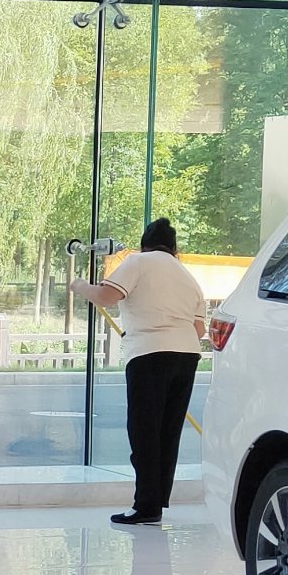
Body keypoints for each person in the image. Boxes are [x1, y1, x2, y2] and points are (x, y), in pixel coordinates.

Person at [81, 217, 209, 528]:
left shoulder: (138, 262)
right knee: (168, 431)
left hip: (150, 353)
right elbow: (199, 328)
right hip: (187, 355)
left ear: (144, 244)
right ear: (174, 247)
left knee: (144, 430)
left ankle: (146, 506)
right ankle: (156, 501)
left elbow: (107, 297)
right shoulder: (187, 276)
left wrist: (80, 286)